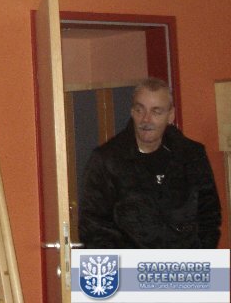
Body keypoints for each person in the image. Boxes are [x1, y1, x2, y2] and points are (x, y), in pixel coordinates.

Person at [78, 77, 221, 249]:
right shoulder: (107, 160)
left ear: (170, 116)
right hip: (128, 263)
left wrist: (200, 252)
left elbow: (209, 215)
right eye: (140, 110)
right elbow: (93, 225)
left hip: (187, 263)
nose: (146, 120)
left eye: (156, 112)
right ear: (132, 112)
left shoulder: (192, 156)